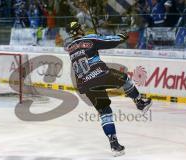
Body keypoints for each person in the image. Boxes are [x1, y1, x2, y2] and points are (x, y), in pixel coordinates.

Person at [64, 21, 152, 156]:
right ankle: (139, 102)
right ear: (80, 29)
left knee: (105, 111)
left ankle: (114, 145)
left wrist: (96, 39)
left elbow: (84, 49)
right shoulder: (90, 38)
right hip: (101, 74)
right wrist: (122, 36)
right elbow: (109, 41)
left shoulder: (70, 47)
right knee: (125, 79)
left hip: (86, 84)